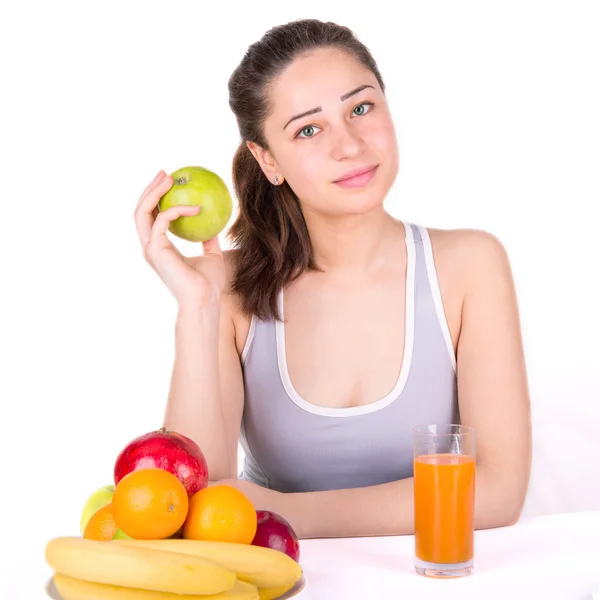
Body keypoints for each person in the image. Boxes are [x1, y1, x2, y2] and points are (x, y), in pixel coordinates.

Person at [134, 18, 532, 540]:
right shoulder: (226, 290)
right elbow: (188, 507)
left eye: (360, 108)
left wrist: (281, 511)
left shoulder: (470, 265)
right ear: (267, 159)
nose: (349, 145)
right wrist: (197, 308)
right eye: (308, 129)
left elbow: (500, 491)